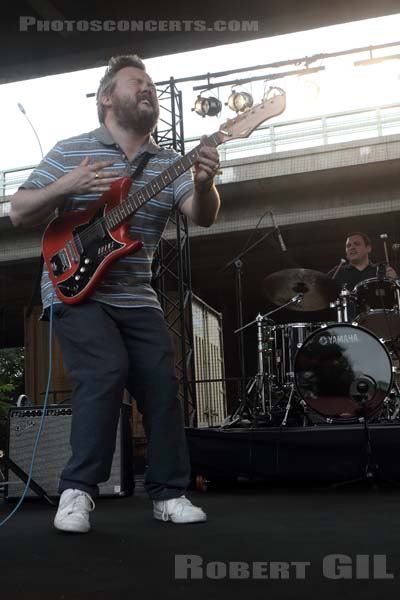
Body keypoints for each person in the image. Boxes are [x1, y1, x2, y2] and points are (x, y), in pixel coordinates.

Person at [10, 55, 221, 533]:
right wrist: (70, 184)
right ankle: (78, 492)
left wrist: (205, 182)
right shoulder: (72, 151)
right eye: (136, 82)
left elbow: (202, 214)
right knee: (106, 371)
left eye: (150, 85)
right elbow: (20, 211)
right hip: (76, 291)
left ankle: (168, 493)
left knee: (162, 388)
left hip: (137, 297)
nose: (147, 89)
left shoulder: (170, 163)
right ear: (107, 97)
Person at [330, 231, 397, 288]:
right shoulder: (337, 272)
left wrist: (395, 280)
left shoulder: (382, 270)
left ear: (368, 248)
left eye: (356, 244)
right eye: (348, 246)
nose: (351, 247)